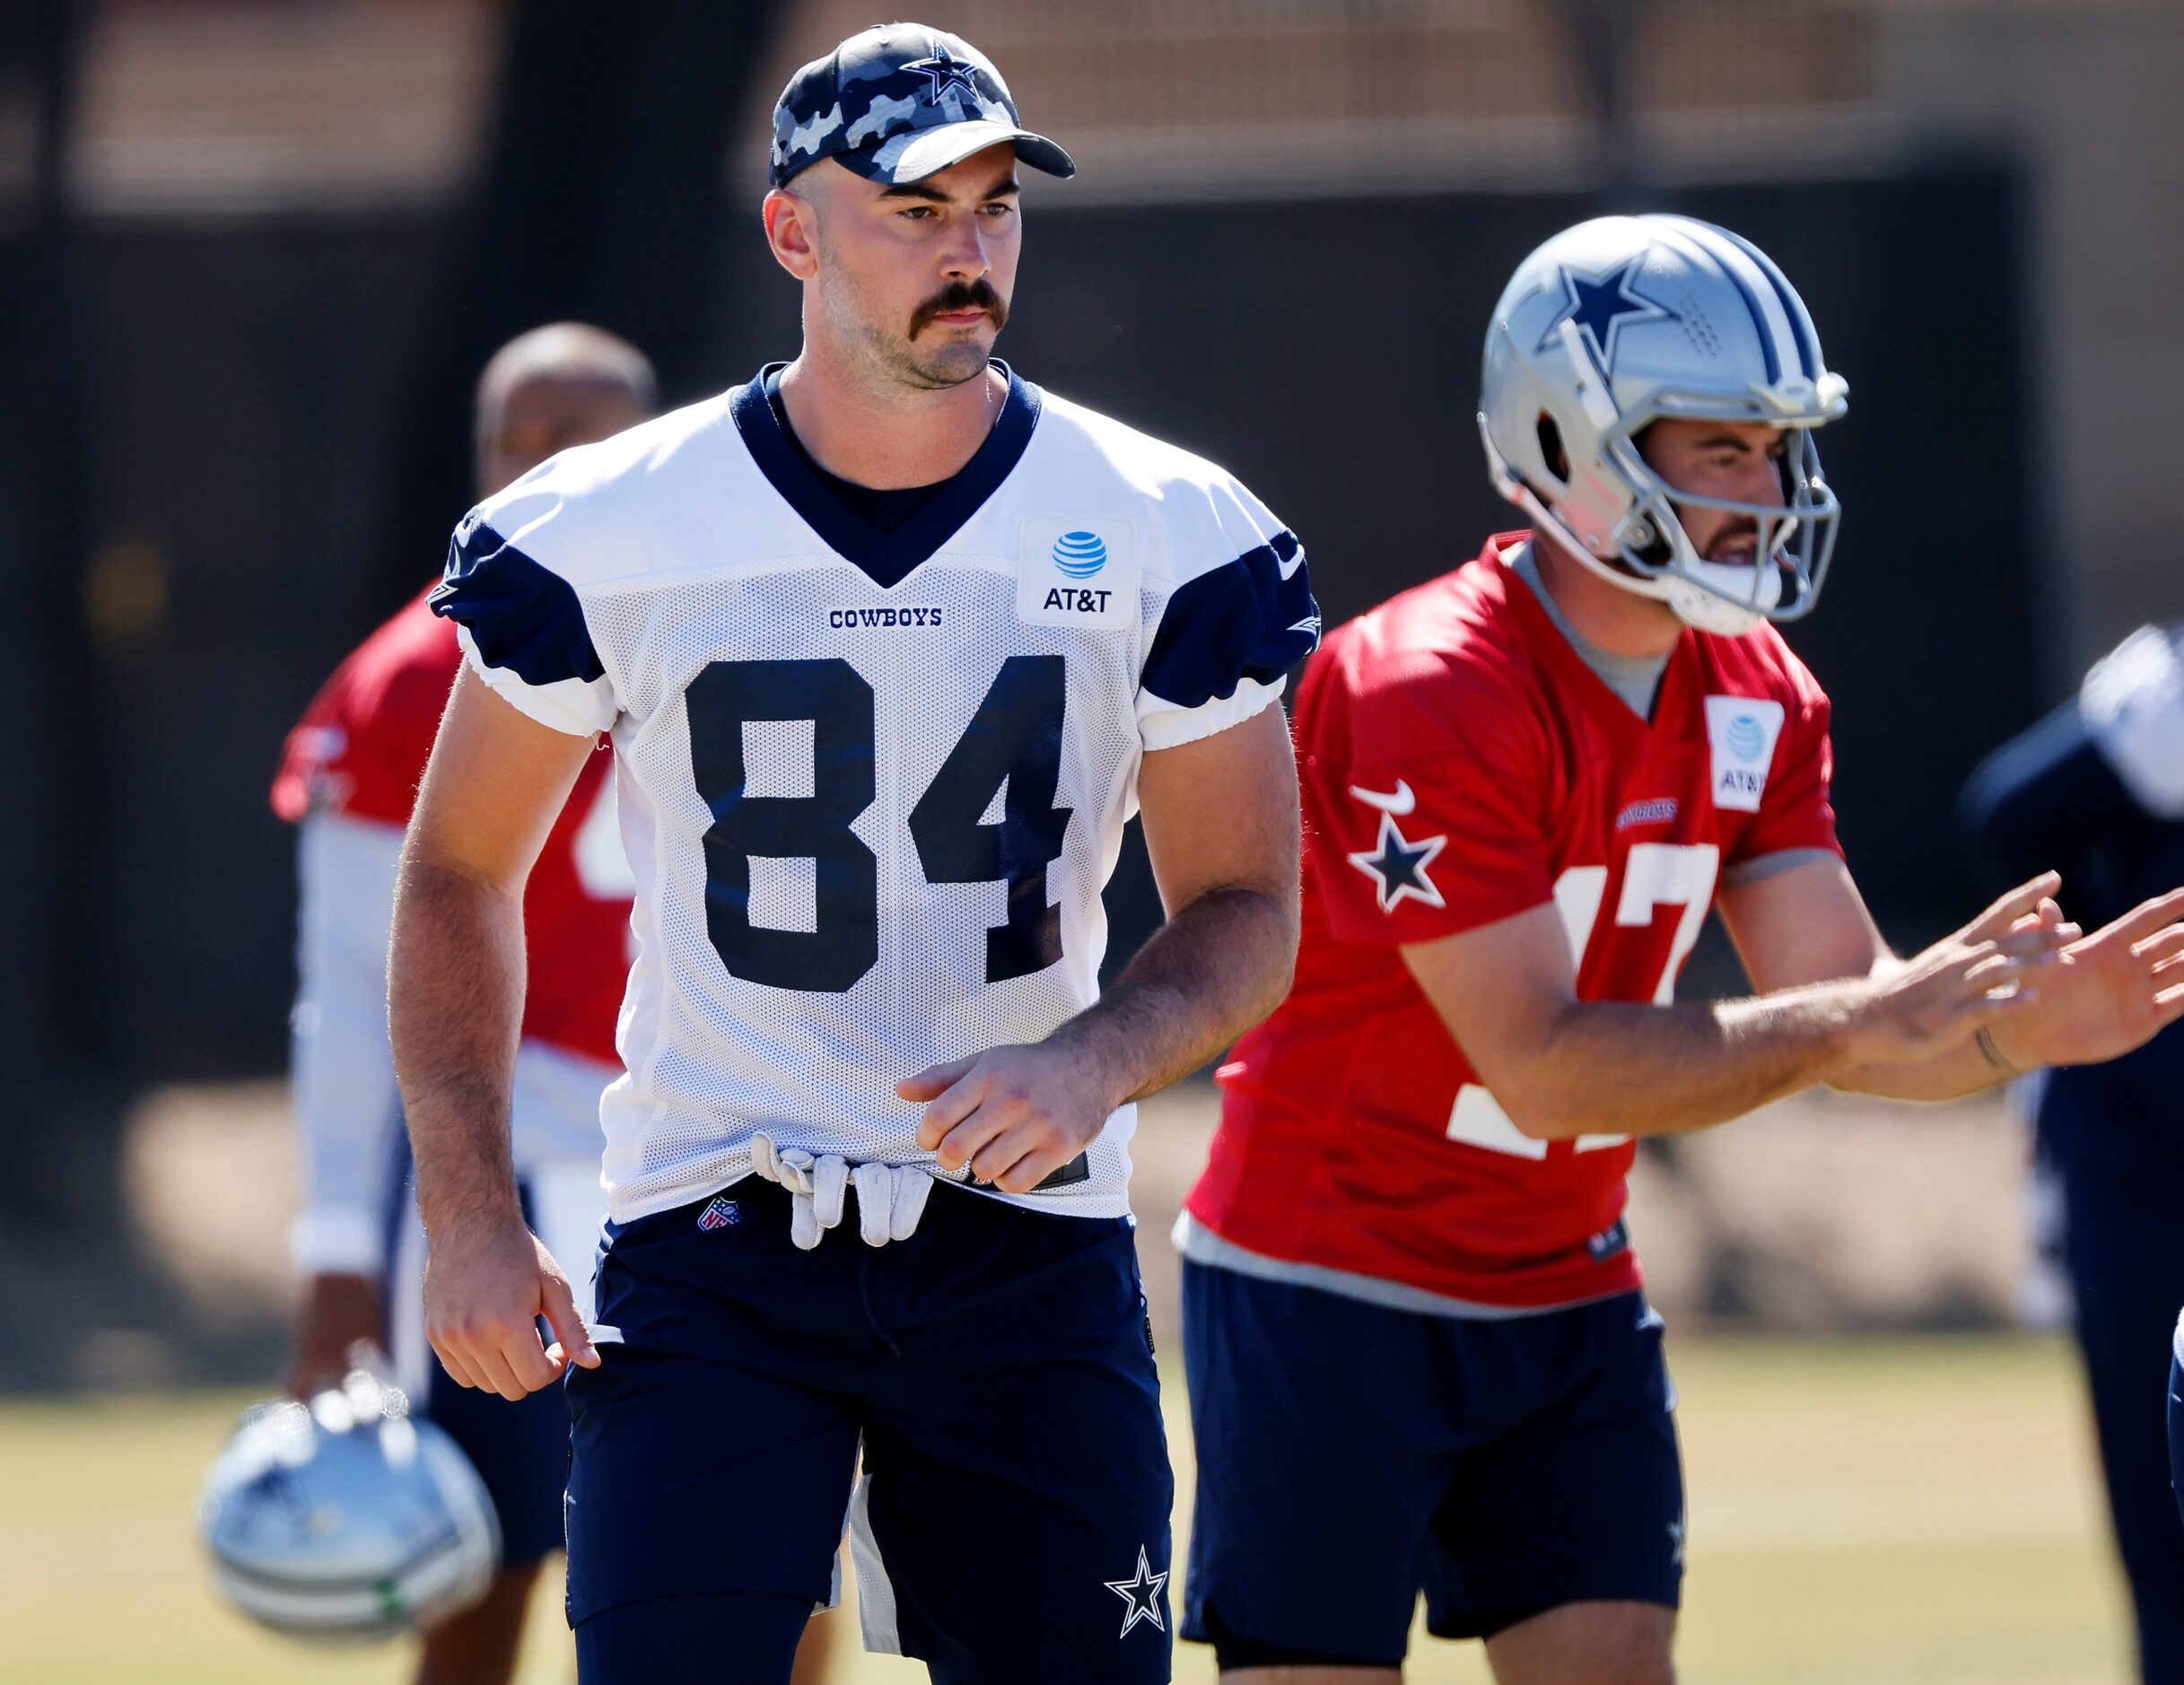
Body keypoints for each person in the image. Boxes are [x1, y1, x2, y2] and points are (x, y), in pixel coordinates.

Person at [387, 23, 1317, 1685]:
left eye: (992, 206)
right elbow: (457, 865)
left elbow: (1246, 905)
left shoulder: (1172, 527)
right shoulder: (610, 524)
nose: (967, 253)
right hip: (711, 1233)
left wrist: (1090, 1059)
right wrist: (466, 1207)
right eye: (912, 207)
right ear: (793, 232)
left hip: (1024, 1237)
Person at [1176, 214, 2184, 1685]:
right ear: (1565, 437)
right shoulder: (1422, 683)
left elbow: (1842, 1011)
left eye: (1778, 448)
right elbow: (1542, 1063)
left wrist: (2001, 1033)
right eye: (1722, 448)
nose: (1768, 490)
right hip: (1327, 1282)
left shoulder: (1752, 686)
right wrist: (1865, 1021)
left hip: (1564, 1284)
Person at [273, 322, 654, 1685]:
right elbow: (346, 995)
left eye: (592, 437)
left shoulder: (725, 623)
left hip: (709, 1164)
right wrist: (338, 1256)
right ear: (481, 462)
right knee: (480, 1566)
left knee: (757, 1556)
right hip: (520, 1179)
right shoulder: (407, 682)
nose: (556, 468)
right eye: (526, 438)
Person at [1961, 622, 2184, 1683]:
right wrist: (2121, 995)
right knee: (2171, 1526)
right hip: (2146, 1162)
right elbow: (2014, 809)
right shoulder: (2170, 696)